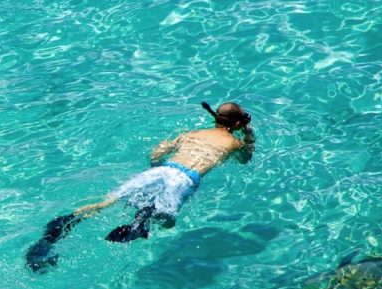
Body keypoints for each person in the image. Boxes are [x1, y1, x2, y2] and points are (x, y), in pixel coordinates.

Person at [26, 101, 255, 272]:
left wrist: (157, 171)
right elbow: (246, 159)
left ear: (215, 117)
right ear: (236, 123)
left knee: (106, 202)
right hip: (186, 179)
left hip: (161, 170)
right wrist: (248, 134)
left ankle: (57, 229)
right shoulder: (233, 142)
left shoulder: (192, 134)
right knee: (166, 220)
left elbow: (156, 153)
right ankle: (141, 221)